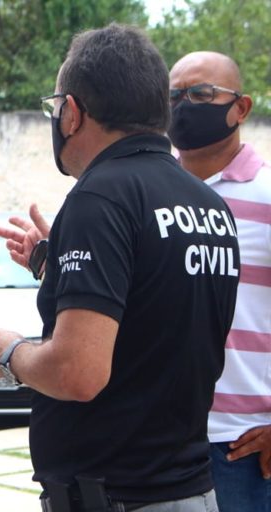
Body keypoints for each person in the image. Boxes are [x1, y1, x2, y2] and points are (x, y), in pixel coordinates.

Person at [0, 24, 240, 511]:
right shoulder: (207, 203)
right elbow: (156, 305)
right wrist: (57, 264)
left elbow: (78, 371)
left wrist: (8, 353)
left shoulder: (100, 197)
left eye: (55, 108)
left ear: (72, 113)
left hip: (119, 494)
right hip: (189, 487)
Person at [169, 51, 271, 512]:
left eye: (201, 94)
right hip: (157, 439)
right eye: (173, 96)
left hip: (240, 447)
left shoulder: (267, 195)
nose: (183, 106)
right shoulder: (150, 193)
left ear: (241, 108)